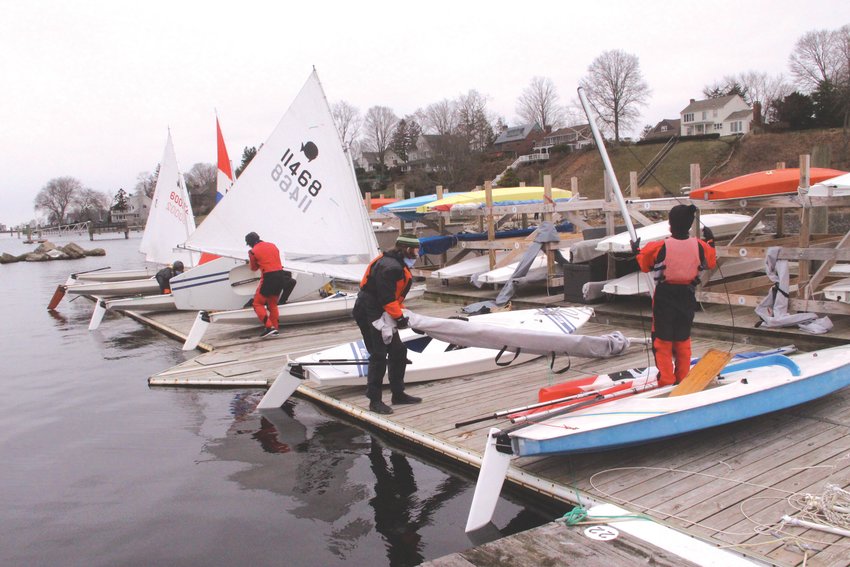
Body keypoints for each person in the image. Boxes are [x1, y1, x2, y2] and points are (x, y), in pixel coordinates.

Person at [634, 204, 717, 386]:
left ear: (670, 225)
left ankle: (666, 380)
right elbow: (710, 261)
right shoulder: (701, 246)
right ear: (688, 225)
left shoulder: (659, 246)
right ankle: (682, 378)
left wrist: (636, 251)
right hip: (687, 295)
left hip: (665, 296)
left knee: (662, 339)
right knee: (682, 337)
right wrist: (711, 241)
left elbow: (644, 264)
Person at [352, 234, 423, 414]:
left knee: (399, 351)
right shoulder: (390, 267)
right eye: (416, 249)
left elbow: (394, 297)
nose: (418, 252)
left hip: (382, 310)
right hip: (370, 312)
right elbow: (386, 297)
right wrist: (399, 318)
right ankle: (374, 400)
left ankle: (398, 394)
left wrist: (404, 314)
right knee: (378, 354)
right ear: (407, 249)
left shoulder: (395, 262)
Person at [246, 232, 289, 338]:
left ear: (250, 243)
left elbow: (254, 268)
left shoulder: (252, 251)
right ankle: (275, 328)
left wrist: (250, 261)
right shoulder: (272, 245)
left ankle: (269, 327)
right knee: (272, 304)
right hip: (281, 275)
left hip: (269, 277)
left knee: (257, 304)